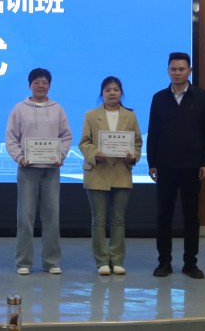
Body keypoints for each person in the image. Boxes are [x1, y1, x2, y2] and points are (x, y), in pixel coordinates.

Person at [147, 52, 205, 279]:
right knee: (163, 216)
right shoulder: (159, 98)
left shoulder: (202, 97)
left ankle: (190, 263)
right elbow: (153, 132)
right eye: (173, 69)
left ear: (189, 71)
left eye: (181, 69)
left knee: (191, 217)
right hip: (165, 166)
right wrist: (152, 163)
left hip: (192, 167)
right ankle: (164, 262)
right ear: (168, 70)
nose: (177, 73)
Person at [5, 68, 72, 275]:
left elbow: (66, 136)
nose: (40, 86)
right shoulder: (19, 109)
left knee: (52, 217)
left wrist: (60, 155)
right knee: (25, 218)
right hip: (27, 170)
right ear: (30, 85)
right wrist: (20, 157)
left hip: (51, 170)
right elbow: (11, 138)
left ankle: (51, 262)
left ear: (49, 85)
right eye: (36, 82)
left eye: (44, 82)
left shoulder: (57, 109)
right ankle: (23, 262)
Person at [78, 76, 142, 276]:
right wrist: (94, 153)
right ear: (102, 94)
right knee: (98, 220)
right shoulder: (91, 115)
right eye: (107, 90)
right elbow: (84, 142)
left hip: (121, 172)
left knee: (118, 220)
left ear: (121, 93)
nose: (112, 93)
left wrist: (133, 156)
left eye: (116, 89)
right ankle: (102, 261)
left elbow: (137, 143)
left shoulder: (130, 116)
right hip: (97, 172)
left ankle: (117, 260)